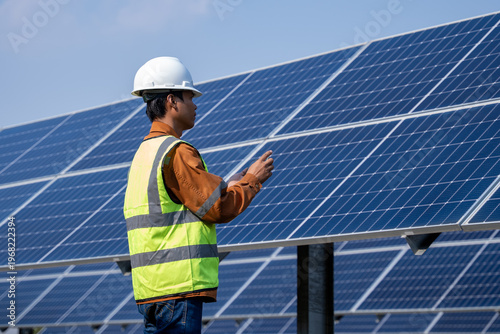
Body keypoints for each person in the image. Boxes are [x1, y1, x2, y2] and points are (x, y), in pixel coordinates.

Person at [123, 57, 274, 334]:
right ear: (172, 101)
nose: (195, 104)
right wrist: (252, 181)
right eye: (189, 97)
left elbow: (180, 203)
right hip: (178, 290)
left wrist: (230, 184)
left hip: (150, 290)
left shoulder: (144, 155)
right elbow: (216, 208)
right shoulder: (176, 151)